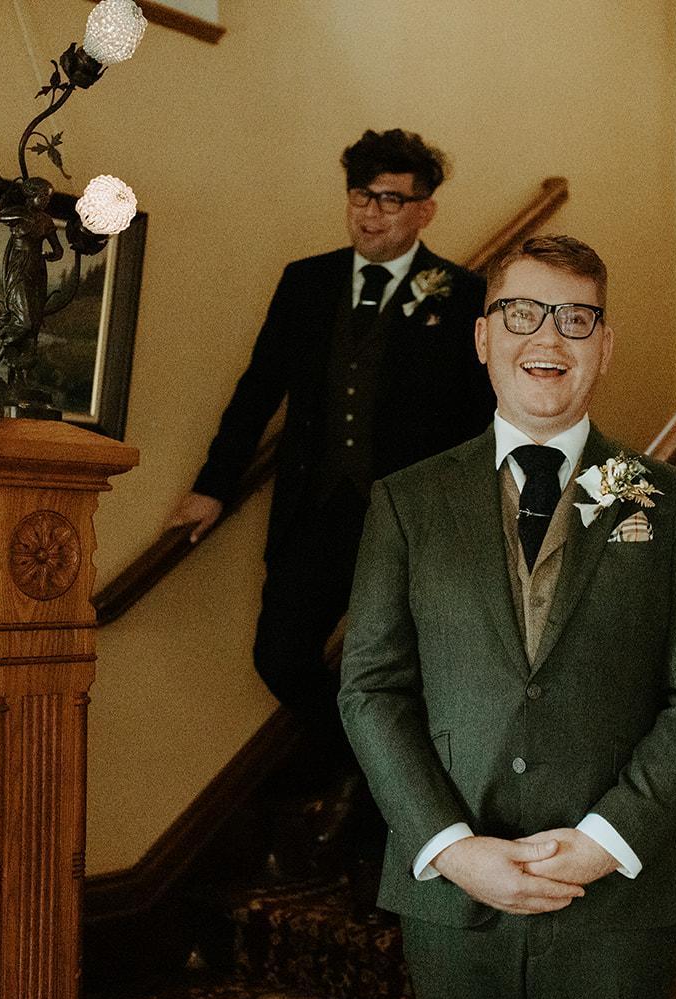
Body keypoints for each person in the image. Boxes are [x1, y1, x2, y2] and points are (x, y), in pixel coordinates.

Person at [340, 235, 676, 999]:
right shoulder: (407, 502)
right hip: (454, 898)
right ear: (483, 336)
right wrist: (450, 846)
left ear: (605, 345)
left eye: (576, 318)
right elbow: (371, 690)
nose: (549, 337)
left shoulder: (671, 504)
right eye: (522, 313)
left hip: (617, 902)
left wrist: (604, 841)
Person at [172, 129, 493, 739]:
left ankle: (386, 790)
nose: (370, 213)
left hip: (409, 524)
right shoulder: (306, 282)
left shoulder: (463, 294)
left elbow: (484, 415)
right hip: (314, 514)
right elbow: (258, 390)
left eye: (391, 199)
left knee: (400, 674)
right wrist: (212, 486)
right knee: (280, 658)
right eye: (360, 195)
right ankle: (369, 764)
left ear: (425, 210)